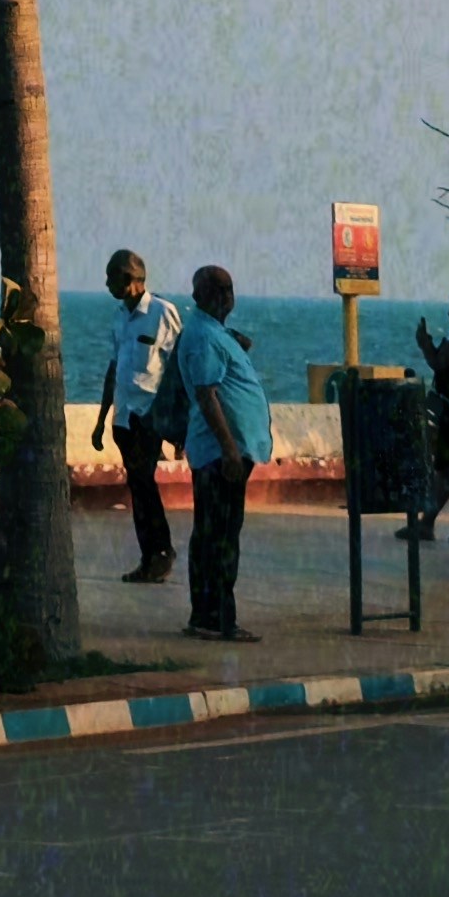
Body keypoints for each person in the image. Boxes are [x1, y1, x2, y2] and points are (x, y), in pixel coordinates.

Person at [163, 262, 274, 642]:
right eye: (218, 290)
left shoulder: (213, 332)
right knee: (218, 536)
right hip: (218, 453)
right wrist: (228, 450)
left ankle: (209, 615)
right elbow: (207, 397)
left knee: (217, 533)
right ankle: (215, 618)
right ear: (200, 296)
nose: (226, 297)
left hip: (227, 451)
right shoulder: (203, 336)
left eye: (229, 289)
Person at [96, 244, 176, 585]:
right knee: (138, 485)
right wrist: (102, 420)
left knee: (144, 482)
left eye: (111, 278)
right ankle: (151, 555)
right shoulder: (119, 317)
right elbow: (114, 368)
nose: (106, 285)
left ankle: (160, 551)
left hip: (148, 415)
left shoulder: (162, 312)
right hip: (123, 417)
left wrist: (172, 420)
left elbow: (176, 368)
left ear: (129, 280)